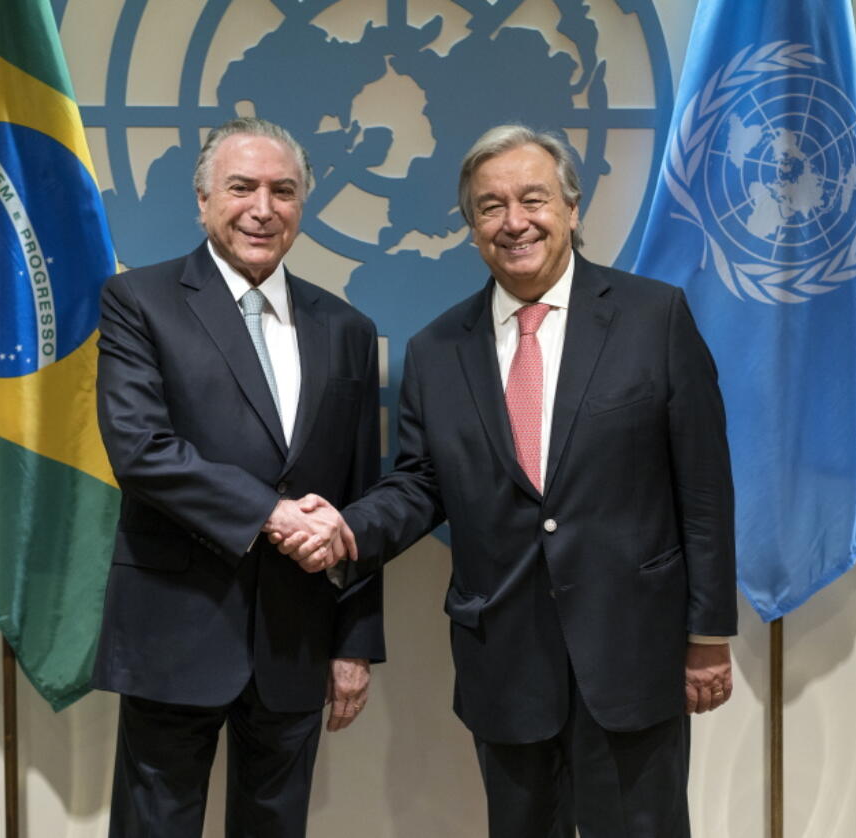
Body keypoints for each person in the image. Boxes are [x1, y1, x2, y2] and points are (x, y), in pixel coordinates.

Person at [275, 125, 737, 837]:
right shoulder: (436, 350)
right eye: (490, 207)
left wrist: (708, 634)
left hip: (632, 654)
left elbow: (704, 487)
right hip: (507, 660)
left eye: (533, 199)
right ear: (470, 226)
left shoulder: (653, 318)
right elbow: (421, 483)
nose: (514, 222)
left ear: (573, 209)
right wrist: (345, 529)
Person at [90, 117, 384, 838]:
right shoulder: (140, 302)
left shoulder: (345, 327)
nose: (263, 207)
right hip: (174, 632)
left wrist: (354, 641)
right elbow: (140, 449)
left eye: (283, 190)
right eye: (242, 187)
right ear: (202, 201)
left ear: (302, 206)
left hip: (296, 642)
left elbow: (359, 492)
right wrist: (273, 516)